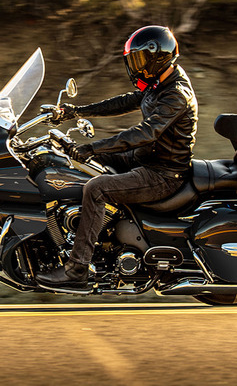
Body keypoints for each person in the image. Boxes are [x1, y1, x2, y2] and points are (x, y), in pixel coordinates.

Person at [35, 25, 198, 288]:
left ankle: (77, 269)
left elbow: (146, 133)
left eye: (140, 59)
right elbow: (125, 102)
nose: (135, 66)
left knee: (97, 188)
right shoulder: (159, 84)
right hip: (144, 158)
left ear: (158, 57)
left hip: (163, 173)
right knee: (77, 166)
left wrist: (94, 147)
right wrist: (75, 112)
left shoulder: (176, 94)